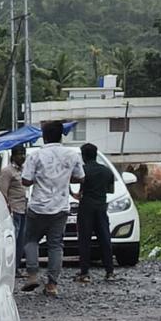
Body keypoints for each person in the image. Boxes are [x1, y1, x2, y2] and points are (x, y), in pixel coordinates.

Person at [19, 121, 82, 296]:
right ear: (61, 135)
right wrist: (63, 177)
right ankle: (52, 285)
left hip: (38, 206)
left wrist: (40, 178)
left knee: (31, 240)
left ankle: (32, 275)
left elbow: (25, 180)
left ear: (44, 136)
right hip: (60, 207)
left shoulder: (35, 156)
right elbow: (80, 178)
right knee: (55, 245)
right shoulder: (72, 155)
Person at [74, 140, 115, 284]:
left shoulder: (83, 170)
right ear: (96, 155)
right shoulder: (106, 170)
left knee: (84, 240)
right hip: (101, 206)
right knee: (104, 238)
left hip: (86, 207)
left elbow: (79, 186)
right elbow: (110, 190)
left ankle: (85, 272)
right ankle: (109, 271)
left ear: (84, 156)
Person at [0, 149, 29, 273]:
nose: (22, 157)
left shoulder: (24, 170)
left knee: (21, 240)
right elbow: (3, 190)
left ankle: (16, 267)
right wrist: (7, 206)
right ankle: (9, 268)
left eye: (24, 154)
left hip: (24, 208)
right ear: (14, 156)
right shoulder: (7, 171)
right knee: (13, 240)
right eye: (20, 154)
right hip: (13, 209)